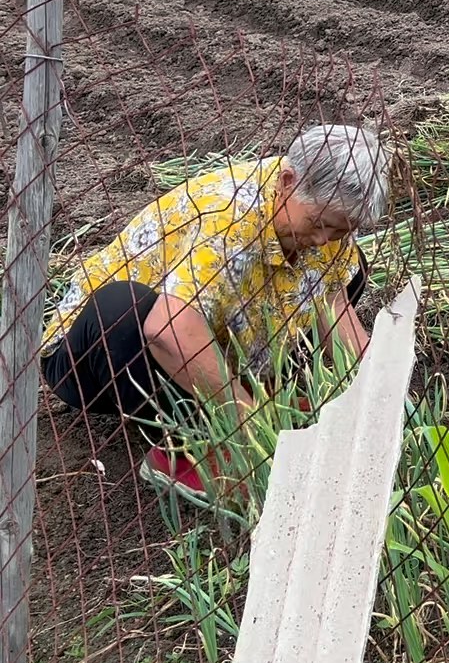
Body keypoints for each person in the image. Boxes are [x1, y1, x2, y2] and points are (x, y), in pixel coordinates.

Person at [40, 123, 392, 504]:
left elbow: (332, 303)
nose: (324, 240)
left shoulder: (316, 206)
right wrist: (248, 421)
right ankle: (182, 447)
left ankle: (253, 393)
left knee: (351, 266)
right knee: (122, 310)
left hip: (215, 331)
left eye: (339, 231)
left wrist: (379, 386)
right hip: (98, 357)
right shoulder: (226, 216)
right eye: (320, 225)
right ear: (288, 182)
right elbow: (168, 328)